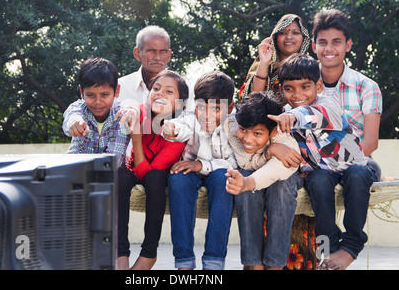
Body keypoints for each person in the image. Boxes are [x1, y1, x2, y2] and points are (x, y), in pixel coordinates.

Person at [271, 53, 380, 270]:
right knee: (317, 181)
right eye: (289, 88)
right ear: (281, 90)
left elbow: (312, 115)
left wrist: (294, 117)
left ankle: (352, 245)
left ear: (318, 86)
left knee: (357, 175)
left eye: (305, 86)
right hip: (324, 172)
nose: (297, 94)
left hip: (356, 166)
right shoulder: (283, 114)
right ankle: (326, 253)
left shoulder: (328, 105)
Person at [162, 71, 237, 270]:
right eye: (201, 108)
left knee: (224, 179)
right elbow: (182, 125)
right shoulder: (191, 116)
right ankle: (184, 262)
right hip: (190, 173)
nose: (207, 115)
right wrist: (172, 129)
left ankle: (213, 262)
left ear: (230, 107)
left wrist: (202, 165)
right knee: (177, 179)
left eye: (216, 109)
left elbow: (235, 163)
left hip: (218, 172)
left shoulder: (236, 125)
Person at [116, 70, 190, 270]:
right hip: (134, 171)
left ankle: (149, 253)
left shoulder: (178, 132)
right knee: (120, 176)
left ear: (180, 103)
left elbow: (147, 175)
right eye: (156, 89)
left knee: (156, 178)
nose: (160, 94)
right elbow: (133, 107)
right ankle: (120, 252)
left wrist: (137, 138)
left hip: (153, 177)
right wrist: (132, 112)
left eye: (168, 91)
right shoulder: (142, 112)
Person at [224, 92, 303, 270]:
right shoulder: (231, 127)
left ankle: (275, 265)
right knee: (243, 180)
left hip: (286, 177)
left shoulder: (283, 136)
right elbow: (246, 162)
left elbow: (286, 167)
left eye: (257, 133)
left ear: (273, 131)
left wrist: (273, 148)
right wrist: (269, 152)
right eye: (243, 129)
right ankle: (254, 265)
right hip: (253, 175)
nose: (248, 139)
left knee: (281, 185)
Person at [311, 9, 382, 157]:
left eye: (336, 42)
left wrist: (338, 163)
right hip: (316, 167)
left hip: (357, 163)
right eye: (323, 42)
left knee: (355, 175)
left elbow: (370, 142)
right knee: (319, 180)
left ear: (348, 45)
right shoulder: (304, 85)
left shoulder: (367, 87)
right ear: (314, 46)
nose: (329, 49)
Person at [62, 57, 130, 167]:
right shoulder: (79, 108)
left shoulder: (122, 115)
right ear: (81, 92)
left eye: (104, 95)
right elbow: (72, 115)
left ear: (116, 91)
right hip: (77, 170)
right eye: (90, 95)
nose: (98, 102)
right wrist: (74, 123)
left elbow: (114, 159)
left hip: (111, 174)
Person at [239, 14, 310, 99]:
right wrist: (264, 63)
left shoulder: (310, 66)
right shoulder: (262, 62)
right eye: (283, 32)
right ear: (275, 37)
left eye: (295, 33)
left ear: (304, 38)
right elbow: (253, 98)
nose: (289, 37)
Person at [117, 25, 172, 108]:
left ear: (169, 55)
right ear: (137, 53)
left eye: (163, 51)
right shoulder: (121, 87)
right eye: (151, 51)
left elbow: (188, 118)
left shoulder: (183, 88)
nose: (157, 57)